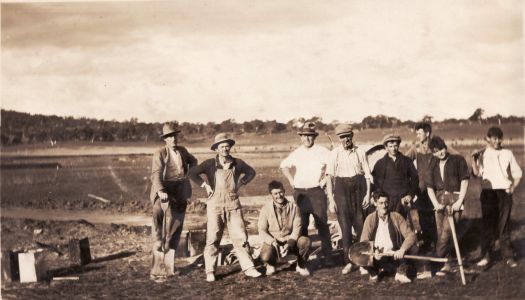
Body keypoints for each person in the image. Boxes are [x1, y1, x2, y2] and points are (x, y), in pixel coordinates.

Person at [188, 133, 262, 282]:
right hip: (214, 204)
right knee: (213, 237)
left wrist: (242, 183)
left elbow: (251, 172)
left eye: (227, 146)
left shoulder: (237, 163)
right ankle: (210, 270)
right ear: (216, 149)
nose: (225, 149)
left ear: (230, 147)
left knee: (240, 236)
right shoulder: (209, 163)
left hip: (233, 203)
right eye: (221, 146)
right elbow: (192, 173)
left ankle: (249, 268)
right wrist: (205, 185)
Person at [280, 122, 334, 266]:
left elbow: (333, 165)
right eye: (305, 136)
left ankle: (328, 257)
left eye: (310, 136)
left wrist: (324, 179)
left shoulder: (322, 151)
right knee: (301, 225)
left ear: (314, 137)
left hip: (316, 192)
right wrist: (291, 180)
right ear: (301, 138)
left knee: (322, 224)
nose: (307, 139)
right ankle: (302, 258)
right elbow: (283, 165)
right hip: (300, 193)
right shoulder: (297, 152)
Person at [150, 122, 198, 276]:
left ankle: (170, 254)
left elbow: (194, 161)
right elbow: (155, 174)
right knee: (158, 212)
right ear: (165, 139)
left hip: (180, 188)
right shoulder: (160, 153)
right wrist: (161, 190)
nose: (173, 139)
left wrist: (188, 175)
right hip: (164, 188)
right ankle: (157, 243)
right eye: (170, 137)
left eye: (175, 136)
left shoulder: (183, 151)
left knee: (177, 222)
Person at [471, 126, 522, 268]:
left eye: (499, 138)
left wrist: (512, 187)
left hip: (504, 193)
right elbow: (477, 174)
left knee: (504, 226)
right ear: (488, 138)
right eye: (494, 138)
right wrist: (473, 160)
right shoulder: (482, 154)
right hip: (488, 193)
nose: (497, 141)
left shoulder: (508, 153)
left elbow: (517, 173)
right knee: (488, 226)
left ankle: (508, 256)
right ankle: (487, 256)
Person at [325, 123, 371, 275]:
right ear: (339, 139)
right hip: (341, 191)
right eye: (342, 137)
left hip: (358, 190)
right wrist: (331, 201)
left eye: (348, 136)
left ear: (352, 136)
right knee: (345, 229)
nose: (346, 140)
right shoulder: (335, 153)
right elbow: (329, 177)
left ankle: (363, 262)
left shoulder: (360, 152)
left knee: (360, 227)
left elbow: (367, 175)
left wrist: (368, 194)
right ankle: (348, 262)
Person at [425, 136, 469, 276]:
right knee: (441, 234)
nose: (441, 153)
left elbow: (464, 181)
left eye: (442, 149)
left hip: (455, 200)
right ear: (433, 153)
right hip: (439, 202)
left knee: (446, 233)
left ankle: (431, 262)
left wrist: (459, 201)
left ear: (445, 146)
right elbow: (429, 187)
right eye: (436, 151)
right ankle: (447, 264)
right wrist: (435, 204)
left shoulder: (457, 160)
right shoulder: (432, 164)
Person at [360, 191, 417, 283]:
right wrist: (374, 251)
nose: (384, 206)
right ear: (375, 203)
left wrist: (402, 249)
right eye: (381, 203)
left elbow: (411, 235)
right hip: (377, 255)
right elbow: (363, 241)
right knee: (362, 256)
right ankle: (374, 274)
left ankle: (399, 272)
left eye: (386, 202)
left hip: (394, 255)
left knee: (408, 253)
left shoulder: (396, 217)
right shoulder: (370, 219)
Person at [258, 180, 312, 276]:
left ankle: (301, 265)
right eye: (275, 193)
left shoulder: (294, 207)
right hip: (274, 241)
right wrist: (273, 242)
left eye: (281, 192)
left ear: (284, 190)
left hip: (290, 240)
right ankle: (271, 264)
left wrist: (290, 242)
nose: (279, 196)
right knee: (265, 256)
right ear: (271, 194)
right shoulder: (265, 209)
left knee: (305, 241)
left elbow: (297, 227)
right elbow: (262, 230)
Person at [405, 123, 438, 257]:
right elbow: (405, 161)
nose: (417, 136)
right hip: (421, 189)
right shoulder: (416, 148)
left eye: (419, 133)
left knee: (437, 217)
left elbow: (454, 155)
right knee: (424, 217)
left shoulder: (436, 145)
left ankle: (439, 245)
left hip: (436, 187)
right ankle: (428, 244)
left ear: (427, 133)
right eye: (416, 133)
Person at [372, 134, 419, 220]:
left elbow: (415, 179)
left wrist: (410, 195)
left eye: (395, 146)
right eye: (390, 146)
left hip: (403, 200)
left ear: (398, 146)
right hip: (387, 201)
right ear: (386, 147)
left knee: (402, 224)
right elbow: (376, 183)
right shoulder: (380, 163)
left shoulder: (407, 161)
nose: (393, 148)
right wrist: (379, 198)